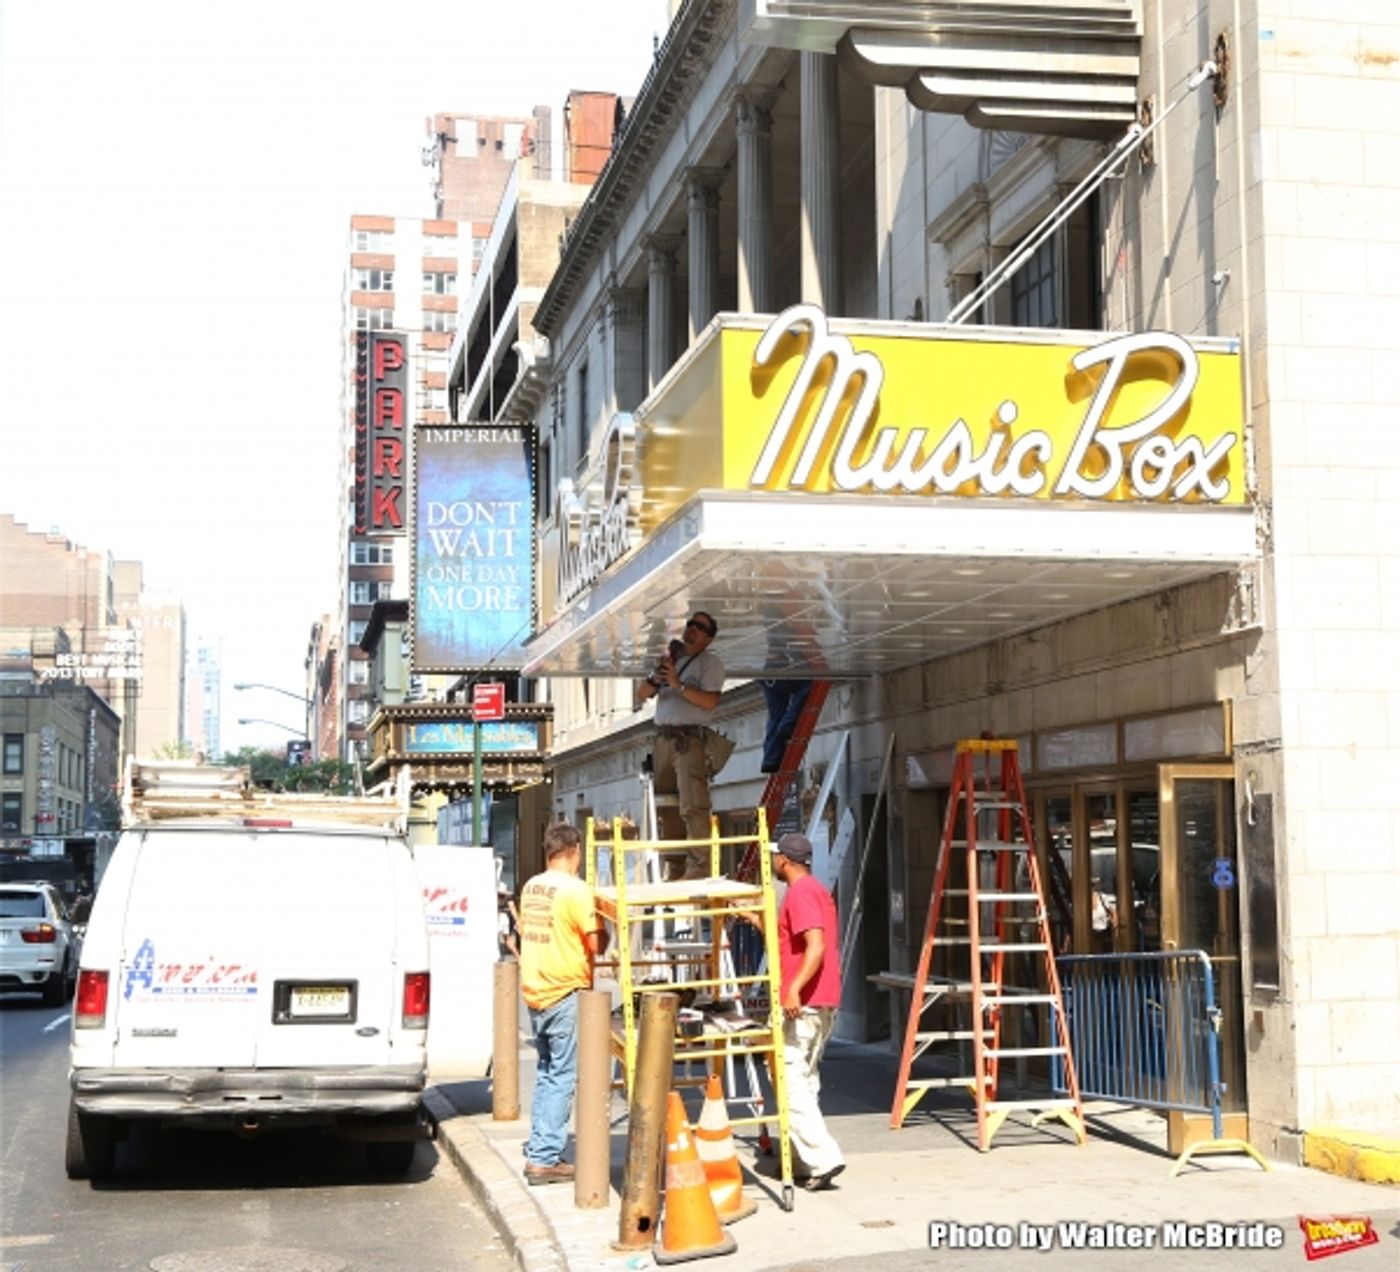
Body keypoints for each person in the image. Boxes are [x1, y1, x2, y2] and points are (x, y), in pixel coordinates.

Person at [739, 832, 845, 1190]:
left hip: (804, 1002)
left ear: (784, 860)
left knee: (789, 1081)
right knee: (803, 1079)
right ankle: (803, 1160)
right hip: (819, 1000)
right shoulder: (812, 891)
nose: (772, 863)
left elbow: (815, 946)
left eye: (774, 858)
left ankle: (822, 1157)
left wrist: (795, 989)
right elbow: (792, 943)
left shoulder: (800, 893)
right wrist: (756, 920)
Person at [518, 823, 609, 1186]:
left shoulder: (531, 886)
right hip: (563, 990)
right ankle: (544, 1159)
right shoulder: (577, 890)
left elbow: (528, 930)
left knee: (547, 1071)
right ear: (574, 851)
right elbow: (596, 945)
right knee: (561, 1075)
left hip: (535, 989)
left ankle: (541, 1147)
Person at [635, 610, 725, 878]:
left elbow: (709, 702)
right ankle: (675, 866)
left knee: (692, 803)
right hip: (663, 738)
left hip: (688, 739)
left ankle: (699, 865)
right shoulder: (672, 661)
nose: (692, 629)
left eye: (700, 626)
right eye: (690, 624)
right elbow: (641, 695)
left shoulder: (710, 663)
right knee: (667, 805)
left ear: (709, 638)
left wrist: (677, 684)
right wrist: (656, 678)